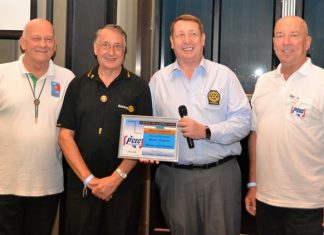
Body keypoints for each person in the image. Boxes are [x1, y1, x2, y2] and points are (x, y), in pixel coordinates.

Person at [148, 14, 251, 235]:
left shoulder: (224, 76)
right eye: (180, 35)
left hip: (219, 176)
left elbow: (243, 122)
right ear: (171, 42)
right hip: (174, 178)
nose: (187, 40)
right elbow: (150, 124)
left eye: (193, 34)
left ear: (203, 39)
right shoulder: (158, 80)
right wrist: (148, 148)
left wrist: (205, 131)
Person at [57, 24, 152, 235]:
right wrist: (90, 181)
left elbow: (142, 141)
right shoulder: (77, 85)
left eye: (118, 46)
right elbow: (65, 137)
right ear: (95, 48)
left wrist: (115, 179)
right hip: (82, 186)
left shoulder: (139, 88)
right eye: (106, 45)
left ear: (124, 51)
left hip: (124, 188)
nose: (111, 52)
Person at [245, 16, 324, 235]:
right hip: (266, 200)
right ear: (273, 42)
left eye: (294, 35)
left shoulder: (321, 82)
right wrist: (253, 185)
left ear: (307, 42)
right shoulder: (264, 82)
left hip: (310, 205)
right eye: (280, 36)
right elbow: (256, 135)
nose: (286, 42)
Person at [0, 19, 74, 235]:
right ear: (23, 43)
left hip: (48, 184)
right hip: (5, 184)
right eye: (36, 38)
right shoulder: (2, 74)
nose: (43, 44)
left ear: (55, 45)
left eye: (48, 39)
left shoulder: (67, 78)